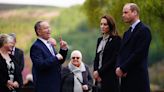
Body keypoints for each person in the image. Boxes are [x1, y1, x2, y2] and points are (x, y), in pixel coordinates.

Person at [115, 3, 151, 92]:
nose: (123, 15)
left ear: (135, 12)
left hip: (138, 79)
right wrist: (118, 67)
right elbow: (121, 53)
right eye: (123, 13)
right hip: (125, 79)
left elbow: (138, 54)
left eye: (126, 12)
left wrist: (123, 68)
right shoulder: (126, 33)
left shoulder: (144, 30)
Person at [30, 21, 68, 92]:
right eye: (46, 28)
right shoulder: (36, 47)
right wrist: (56, 58)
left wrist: (63, 49)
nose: (49, 30)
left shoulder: (49, 44)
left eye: (49, 27)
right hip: (45, 87)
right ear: (39, 31)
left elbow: (59, 61)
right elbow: (40, 65)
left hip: (55, 84)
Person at [93, 15, 121, 92]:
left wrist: (99, 72)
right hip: (98, 78)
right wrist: (95, 72)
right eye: (101, 24)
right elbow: (96, 58)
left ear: (110, 26)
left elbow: (113, 59)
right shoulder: (99, 40)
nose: (102, 26)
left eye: (105, 24)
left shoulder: (116, 39)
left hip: (110, 78)